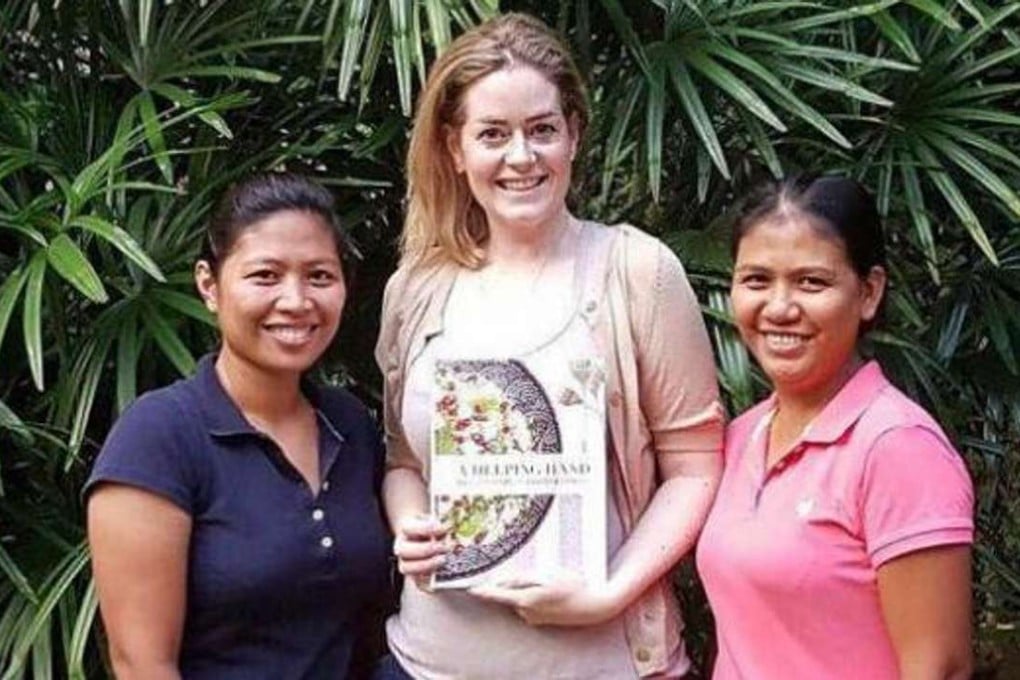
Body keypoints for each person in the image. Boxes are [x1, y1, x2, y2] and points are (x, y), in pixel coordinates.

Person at [373, 12, 724, 680]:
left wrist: (607, 596)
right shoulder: (415, 289)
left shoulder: (637, 273)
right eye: (493, 135)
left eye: (541, 130)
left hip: (607, 665)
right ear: (455, 148)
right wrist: (410, 525)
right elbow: (403, 459)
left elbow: (697, 467)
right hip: (429, 664)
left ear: (573, 136)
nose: (520, 157)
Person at [86, 173, 390, 679]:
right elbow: (143, 666)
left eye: (319, 276)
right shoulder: (159, 437)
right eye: (265, 276)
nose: (296, 300)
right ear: (209, 284)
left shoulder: (350, 423)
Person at [696, 175, 974, 679]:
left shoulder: (897, 447)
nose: (779, 308)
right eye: (757, 280)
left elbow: (941, 667)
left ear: (868, 293)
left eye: (812, 282)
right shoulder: (741, 437)